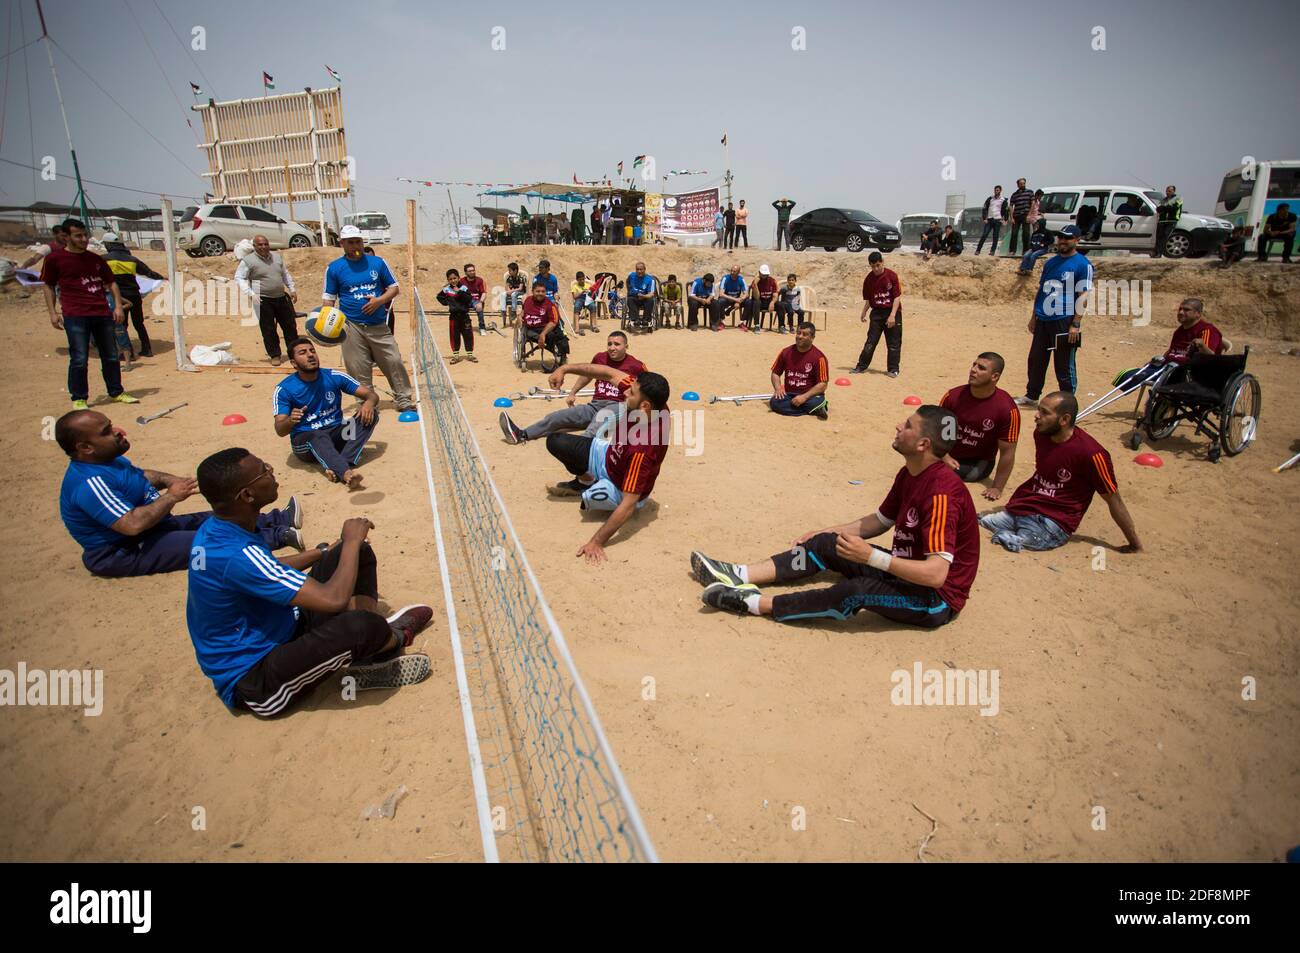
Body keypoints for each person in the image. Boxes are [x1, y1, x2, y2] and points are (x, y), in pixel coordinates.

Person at [186, 447, 435, 716]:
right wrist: (351, 540)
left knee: (353, 555)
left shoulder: (220, 529)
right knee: (359, 622)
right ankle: (392, 638)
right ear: (247, 495)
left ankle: (370, 650)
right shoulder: (234, 553)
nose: (271, 471)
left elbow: (267, 568)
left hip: (281, 627)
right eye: (263, 471)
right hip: (257, 679)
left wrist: (326, 551)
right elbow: (333, 600)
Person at [690, 405, 979, 629]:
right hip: (904, 573)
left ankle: (753, 603)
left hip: (935, 600)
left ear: (923, 445)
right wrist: (825, 533)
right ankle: (739, 574)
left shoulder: (942, 493)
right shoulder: (910, 473)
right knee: (828, 543)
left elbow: (936, 575)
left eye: (907, 426)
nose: (898, 426)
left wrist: (871, 557)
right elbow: (879, 520)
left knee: (856, 590)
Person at [57, 410, 301, 577]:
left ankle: (275, 519)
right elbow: (131, 525)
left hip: (157, 526)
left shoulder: (107, 460)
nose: (119, 431)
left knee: (217, 517)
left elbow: (140, 476)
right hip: (124, 549)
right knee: (209, 544)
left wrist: (168, 480)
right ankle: (277, 537)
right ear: (85, 447)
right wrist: (172, 496)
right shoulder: (89, 483)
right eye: (107, 430)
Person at [980, 392, 1142, 553]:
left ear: (1064, 419)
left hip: (1053, 523)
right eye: (1038, 410)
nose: (1037, 416)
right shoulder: (1041, 434)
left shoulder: (1092, 455)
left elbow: (1114, 500)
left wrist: (1134, 544)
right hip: (1023, 509)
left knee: (1011, 541)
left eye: (1045, 412)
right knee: (978, 520)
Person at [543, 364, 672, 562]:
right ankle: (586, 479)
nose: (625, 391)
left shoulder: (643, 449)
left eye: (631, 391)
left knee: (590, 501)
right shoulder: (649, 401)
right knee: (555, 441)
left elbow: (629, 504)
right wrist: (564, 369)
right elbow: (607, 372)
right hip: (607, 456)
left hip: (620, 486)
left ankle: (595, 488)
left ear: (645, 406)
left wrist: (596, 541)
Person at [42, 218, 135, 409]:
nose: (84, 239)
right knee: (79, 358)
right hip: (75, 315)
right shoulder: (55, 260)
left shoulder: (95, 259)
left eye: (85, 235)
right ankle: (79, 397)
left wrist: (117, 306)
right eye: (78, 236)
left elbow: (111, 283)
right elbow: (48, 286)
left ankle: (116, 391)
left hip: (101, 314)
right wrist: (53, 313)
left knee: (110, 355)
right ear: (66, 237)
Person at [321, 225, 415, 412]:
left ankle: (403, 399)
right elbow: (329, 299)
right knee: (357, 366)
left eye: (358, 241)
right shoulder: (334, 268)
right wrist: (326, 324)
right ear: (342, 244)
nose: (355, 245)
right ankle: (367, 402)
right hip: (350, 326)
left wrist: (379, 301)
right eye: (351, 242)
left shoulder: (378, 263)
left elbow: (394, 288)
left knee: (393, 360)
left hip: (378, 324)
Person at [500, 330, 646, 443]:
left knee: (599, 421)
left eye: (617, 344)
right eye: (609, 344)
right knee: (556, 417)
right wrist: (573, 393)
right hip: (595, 405)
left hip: (618, 406)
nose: (612, 348)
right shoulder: (600, 358)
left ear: (626, 346)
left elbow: (649, 390)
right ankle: (521, 434)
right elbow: (587, 374)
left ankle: (581, 448)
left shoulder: (637, 365)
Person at [274, 338, 380, 487]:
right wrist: (290, 420)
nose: (310, 355)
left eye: (312, 351)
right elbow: (279, 429)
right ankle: (346, 473)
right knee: (318, 435)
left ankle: (340, 463)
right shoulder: (284, 389)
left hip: (336, 434)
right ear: (293, 363)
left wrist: (368, 404)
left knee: (371, 414)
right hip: (305, 442)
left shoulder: (334, 376)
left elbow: (371, 395)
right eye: (303, 353)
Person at [1017, 224, 1092, 406]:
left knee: (1064, 364)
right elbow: (1042, 291)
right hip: (1043, 319)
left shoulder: (1083, 264)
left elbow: (1084, 295)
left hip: (1064, 320)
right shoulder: (1050, 263)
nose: (1063, 241)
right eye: (1061, 237)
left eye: (1067, 237)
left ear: (1077, 240)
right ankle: (1032, 395)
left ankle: (1067, 401)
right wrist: (1034, 316)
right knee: (1036, 359)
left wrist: (1075, 324)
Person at [938, 352, 1020, 498]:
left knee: (940, 473)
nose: (973, 370)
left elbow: (1008, 452)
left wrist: (997, 488)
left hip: (977, 462)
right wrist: (945, 457)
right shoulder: (953, 396)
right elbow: (940, 432)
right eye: (974, 365)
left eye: (981, 368)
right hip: (947, 453)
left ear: (995, 376)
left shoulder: (1007, 409)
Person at [235, 234, 298, 365]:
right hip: (262, 300)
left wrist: (292, 288)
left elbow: (284, 273)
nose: (264, 247)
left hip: (281, 297)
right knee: (268, 328)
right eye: (260, 244)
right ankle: (275, 355)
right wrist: (250, 293)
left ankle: (294, 354)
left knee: (290, 327)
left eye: (266, 244)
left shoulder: (277, 257)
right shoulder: (248, 261)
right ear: (254, 246)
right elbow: (239, 278)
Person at [102, 233, 165, 359]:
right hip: (134, 295)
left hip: (119, 297)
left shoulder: (104, 259)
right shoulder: (132, 259)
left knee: (121, 324)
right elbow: (148, 273)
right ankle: (147, 349)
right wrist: (162, 277)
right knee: (139, 323)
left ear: (108, 245)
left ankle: (128, 353)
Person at [852, 252, 903, 376]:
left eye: (878, 265)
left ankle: (893, 369)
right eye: (873, 266)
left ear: (882, 262)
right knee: (871, 341)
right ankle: (861, 366)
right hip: (876, 313)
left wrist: (892, 315)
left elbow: (897, 297)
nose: (876, 268)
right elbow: (869, 299)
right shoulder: (869, 279)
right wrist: (864, 312)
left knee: (893, 343)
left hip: (892, 311)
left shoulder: (891, 276)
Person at [770, 322, 829, 418]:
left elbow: (823, 384)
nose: (800, 336)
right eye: (798, 333)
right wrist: (778, 388)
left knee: (814, 402)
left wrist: (804, 397)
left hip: (810, 396)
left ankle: (814, 406)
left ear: (812, 337)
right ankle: (813, 410)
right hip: (789, 395)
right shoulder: (786, 352)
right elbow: (775, 373)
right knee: (774, 402)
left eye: (805, 334)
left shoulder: (819, 358)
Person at [520, 279, 570, 364]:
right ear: (533, 291)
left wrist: (543, 334)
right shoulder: (528, 300)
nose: (540, 293)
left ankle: (562, 356)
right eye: (538, 291)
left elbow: (553, 322)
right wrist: (519, 316)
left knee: (560, 336)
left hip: (546, 328)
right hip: (530, 329)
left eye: (543, 291)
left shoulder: (550, 305)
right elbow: (523, 311)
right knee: (527, 333)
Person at [436, 268, 477, 364]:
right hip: (454, 317)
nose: (453, 280)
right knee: (454, 336)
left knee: (468, 335)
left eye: (455, 278)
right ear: (448, 280)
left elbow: (469, 299)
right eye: (450, 279)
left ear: (458, 278)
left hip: (465, 317)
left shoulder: (463, 288)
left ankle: (470, 354)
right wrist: (447, 302)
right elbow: (439, 297)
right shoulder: (446, 289)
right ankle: (456, 356)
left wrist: (459, 291)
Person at [1151, 184, 1183, 258]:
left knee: (1165, 237)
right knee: (1159, 237)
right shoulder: (1163, 200)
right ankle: (1156, 253)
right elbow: (1158, 209)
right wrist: (1166, 207)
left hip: (1171, 220)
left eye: (1169, 191)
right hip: (1162, 220)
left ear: (1173, 191)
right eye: (1167, 191)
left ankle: (1159, 253)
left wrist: (1165, 207)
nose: (1167, 192)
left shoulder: (1178, 198)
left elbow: (1174, 208)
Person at [744, 263, 778, 330]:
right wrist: (755, 284)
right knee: (757, 302)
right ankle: (757, 325)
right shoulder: (755, 281)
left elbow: (775, 295)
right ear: (759, 273)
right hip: (759, 302)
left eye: (766, 274)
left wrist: (772, 302)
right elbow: (756, 297)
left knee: (781, 305)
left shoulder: (772, 281)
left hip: (768, 302)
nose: (765, 276)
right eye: (763, 274)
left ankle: (781, 326)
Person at [977, 186, 1009, 255]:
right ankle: (978, 250)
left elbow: (1006, 210)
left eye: (998, 190)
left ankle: (992, 251)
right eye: (995, 190)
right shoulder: (990, 199)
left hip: (998, 220)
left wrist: (1005, 220)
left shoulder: (1003, 200)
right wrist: (984, 218)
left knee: (995, 236)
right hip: (989, 219)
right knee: (984, 234)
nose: (996, 191)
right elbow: (984, 208)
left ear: (1000, 191)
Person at [712, 265, 747, 331]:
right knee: (720, 301)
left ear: (738, 272)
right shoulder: (725, 278)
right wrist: (736, 300)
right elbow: (721, 294)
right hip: (727, 299)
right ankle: (722, 322)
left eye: (734, 271)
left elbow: (746, 294)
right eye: (731, 271)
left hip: (737, 300)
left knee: (748, 301)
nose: (732, 272)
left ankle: (742, 322)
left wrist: (739, 301)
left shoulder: (741, 279)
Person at [1007, 178, 1035, 255]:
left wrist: (1030, 215)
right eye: (1021, 184)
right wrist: (1011, 217)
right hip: (1016, 216)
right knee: (1014, 233)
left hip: (1026, 215)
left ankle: (1025, 250)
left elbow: (1033, 203)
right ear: (1018, 185)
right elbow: (1011, 206)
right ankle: (1012, 251)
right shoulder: (1014, 194)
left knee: (1026, 233)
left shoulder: (1030, 192)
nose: (1022, 185)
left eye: (1024, 183)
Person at [626, 261, 656, 327]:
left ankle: (646, 320)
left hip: (645, 298)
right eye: (637, 269)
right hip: (634, 297)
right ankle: (635, 320)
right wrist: (629, 291)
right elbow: (627, 282)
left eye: (641, 269)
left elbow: (651, 294)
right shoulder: (631, 276)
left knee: (651, 300)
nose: (639, 271)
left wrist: (643, 296)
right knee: (630, 299)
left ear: (644, 269)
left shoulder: (650, 279)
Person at [571, 270, 600, 335]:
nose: (582, 281)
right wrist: (581, 292)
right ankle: (577, 327)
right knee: (576, 306)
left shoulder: (587, 285)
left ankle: (594, 325)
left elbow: (592, 293)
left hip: (587, 299)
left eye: (583, 279)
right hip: (579, 299)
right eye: (580, 280)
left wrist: (592, 292)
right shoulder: (575, 286)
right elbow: (574, 297)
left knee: (593, 306)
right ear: (577, 280)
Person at [462, 263, 488, 332]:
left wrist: (480, 302)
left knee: (479, 308)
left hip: (476, 300)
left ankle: (482, 328)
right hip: (465, 300)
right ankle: (464, 326)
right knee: (460, 308)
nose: (472, 272)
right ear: (466, 272)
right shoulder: (461, 281)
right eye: (470, 271)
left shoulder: (479, 280)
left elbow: (484, 293)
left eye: (473, 270)